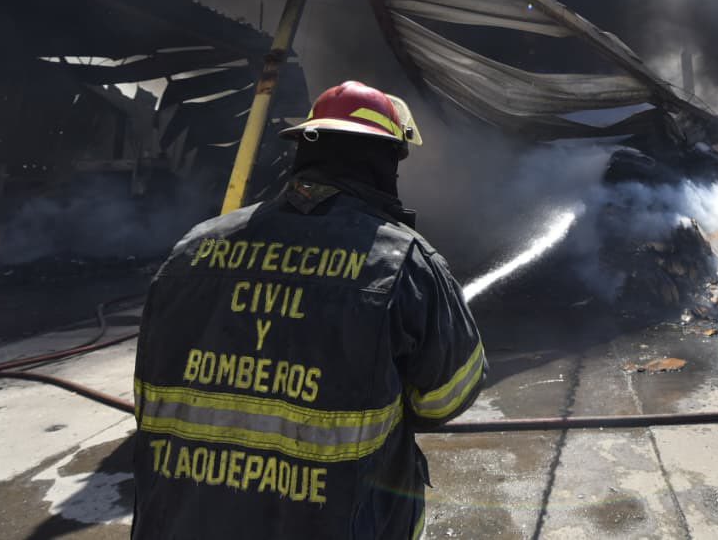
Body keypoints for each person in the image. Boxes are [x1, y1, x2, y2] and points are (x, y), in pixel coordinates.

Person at [131, 80, 485, 539]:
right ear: (381, 160)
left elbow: (150, 390)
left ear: (304, 151)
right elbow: (446, 397)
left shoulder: (192, 249)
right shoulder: (404, 262)